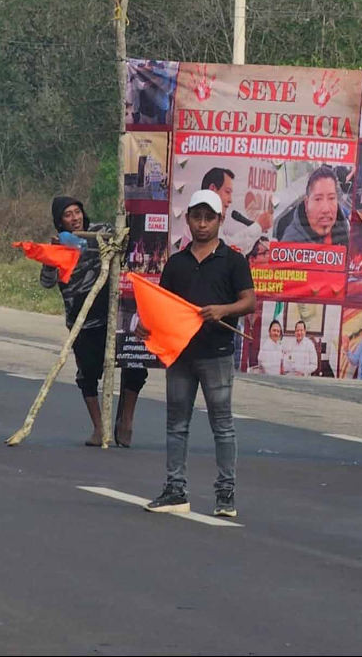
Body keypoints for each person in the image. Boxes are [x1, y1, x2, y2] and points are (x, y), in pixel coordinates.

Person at [144, 189, 256, 518]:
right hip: (180, 354)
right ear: (188, 219)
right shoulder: (177, 263)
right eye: (197, 217)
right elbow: (161, 307)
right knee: (176, 424)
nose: (203, 224)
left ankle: (226, 495)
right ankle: (175, 490)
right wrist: (146, 326)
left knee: (222, 425)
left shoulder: (233, 260)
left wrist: (223, 310)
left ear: (220, 220)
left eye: (209, 218)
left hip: (217, 353)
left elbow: (248, 302)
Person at [40, 196, 147, 447]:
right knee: (88, 375)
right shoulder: (58, 247)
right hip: (83, 321)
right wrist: (50, 256)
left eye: (77, 211)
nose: (75, 217)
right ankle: (99, 428)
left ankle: (126, 422)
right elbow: (46, 282)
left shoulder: (102, 232)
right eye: (68, 214)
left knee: (135, 365)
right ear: (59, 221)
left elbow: (125, 246)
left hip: (115, 314)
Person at [202, 167, 272, 257]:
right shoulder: (201, 222)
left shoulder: (212, 223)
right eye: (227, 192)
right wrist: (258, 227)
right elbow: (227, 251)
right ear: (212, 189)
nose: (230, 200)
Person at [279, 165, 349, 245]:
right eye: (318, 199)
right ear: (306, 203)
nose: (326, 209)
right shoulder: (290, 245)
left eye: (331, 198)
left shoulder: (343, 229)